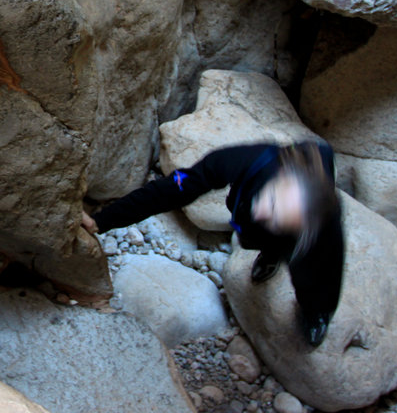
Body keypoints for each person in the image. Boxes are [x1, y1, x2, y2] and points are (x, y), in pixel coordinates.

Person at [82, 141, 344, 347]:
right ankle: (270, 252)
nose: (264, 213)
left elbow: (326, 276)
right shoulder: (248, 160)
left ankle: (313, 311)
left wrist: (319, 307)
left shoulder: (321, 228)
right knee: (260, 234)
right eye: (273, 202)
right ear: (283, 179)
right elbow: (168, 191)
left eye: (278, 219)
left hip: (301, 233)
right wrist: (102, 221)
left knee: (311, 273)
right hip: (267, 213)